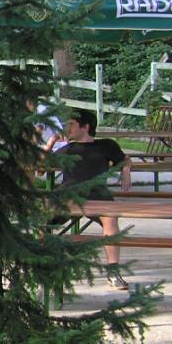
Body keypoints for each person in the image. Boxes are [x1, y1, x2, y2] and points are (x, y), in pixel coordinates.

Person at [55, 108, 133, 290]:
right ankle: (41, 265)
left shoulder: (106, 145)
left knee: (111, 218)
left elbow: (125, 159)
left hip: (97, 194)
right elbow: (41, 168)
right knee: (41, 218)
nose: (67, 128)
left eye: (72, 124)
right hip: (69, 195)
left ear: (85, 127)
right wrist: (51, 142)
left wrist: (126, 169)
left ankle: (113, 271)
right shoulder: (67, 148)